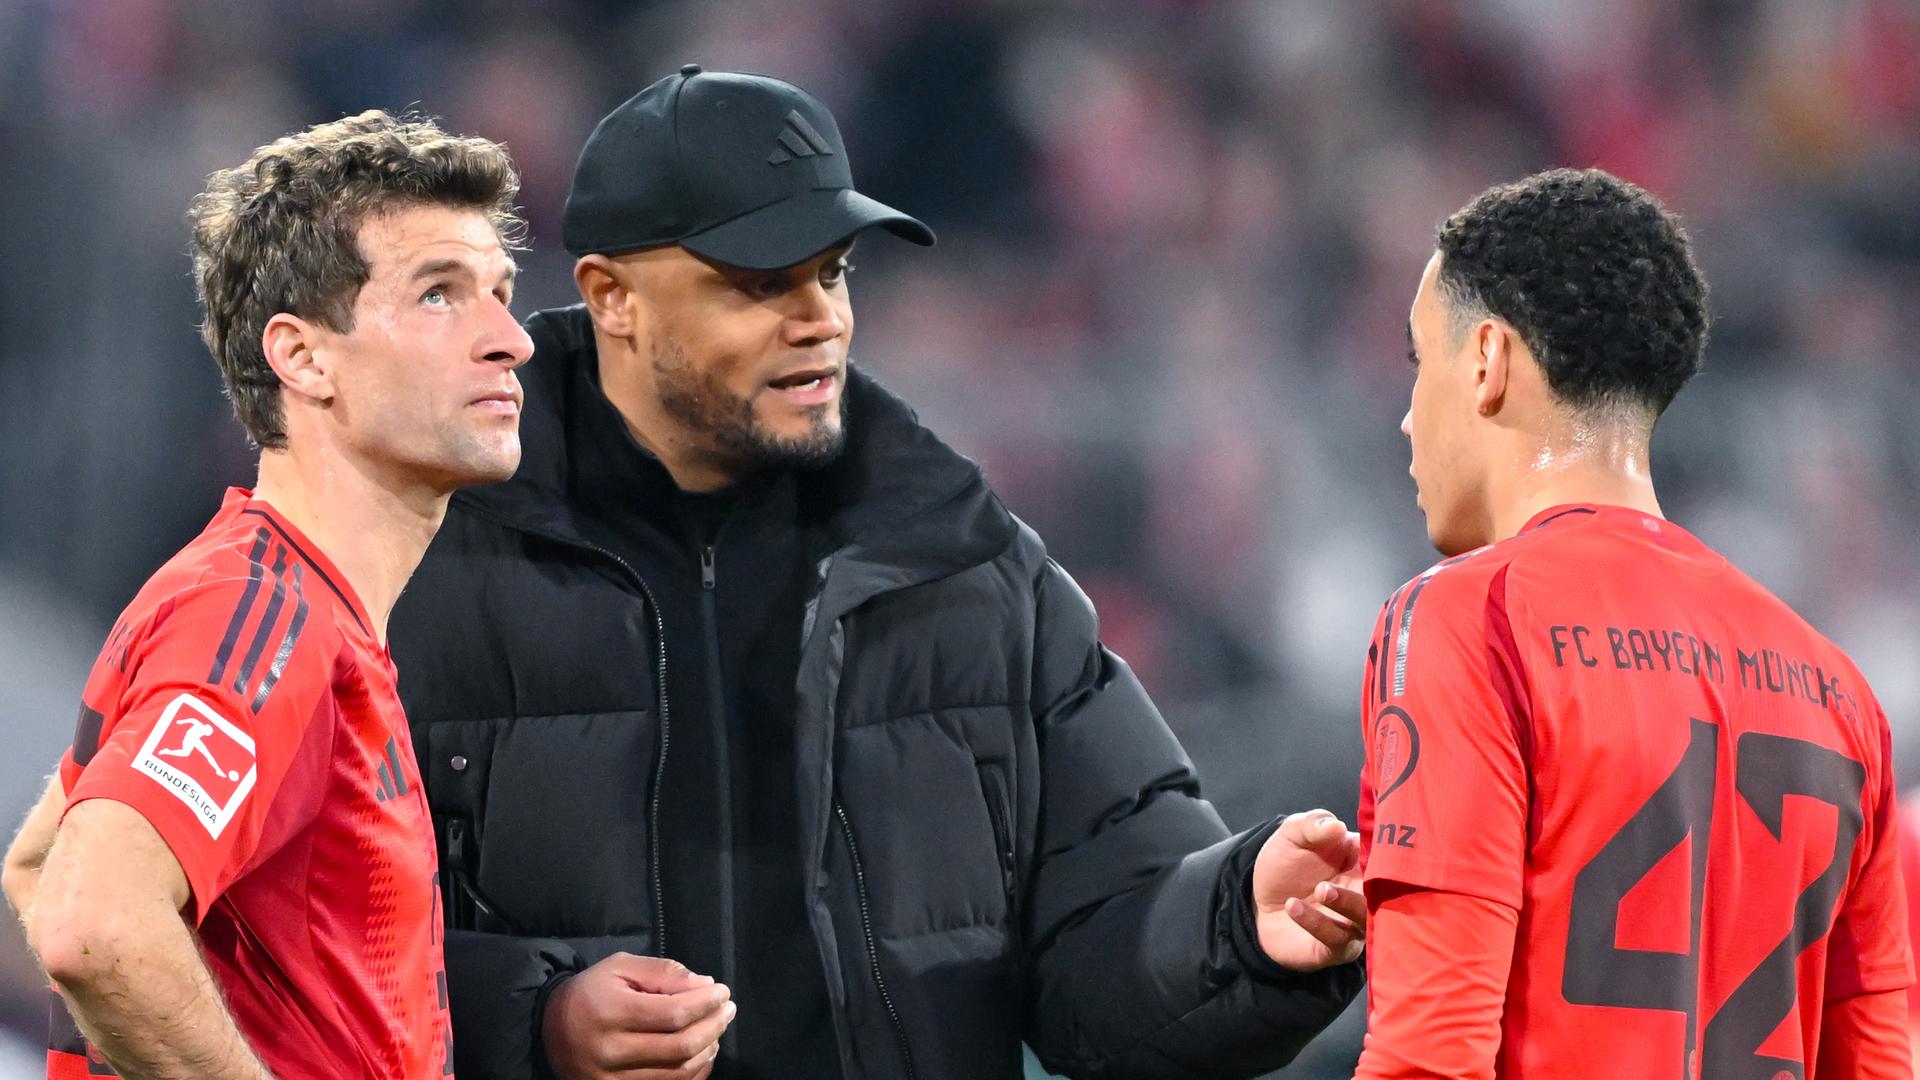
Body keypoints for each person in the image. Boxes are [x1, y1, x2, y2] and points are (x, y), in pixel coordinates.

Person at [388, 65, 1366, 1080]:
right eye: (761, 284)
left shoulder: (970, 571)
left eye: (834, 272)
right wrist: (531, 1020)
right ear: (612, 298)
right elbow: (280, 948)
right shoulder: (415, 565)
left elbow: (1102, 946)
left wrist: (1238, 923)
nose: (821, 319)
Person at [4, 109, 534, 1079]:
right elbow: (93, 920)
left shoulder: (285, 607)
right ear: (302, 357)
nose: (511, 340)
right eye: (437, 296)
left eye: (500, 292)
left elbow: (39, 868)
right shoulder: (265, 620)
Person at [1354, 168, 1913, 1077]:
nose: (1408, 418)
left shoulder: (1469, 619)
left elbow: (1428, 1056)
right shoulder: (1839, 689)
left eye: (1422, 364)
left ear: (1488, 360)